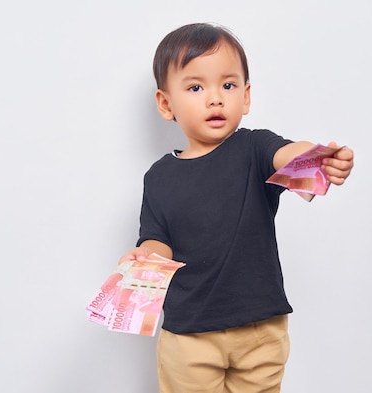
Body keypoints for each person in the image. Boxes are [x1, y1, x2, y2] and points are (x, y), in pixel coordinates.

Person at [119, 22, 354, 393]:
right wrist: (145, 258)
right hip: (190, 333)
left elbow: (287, 154)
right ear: (166, 104)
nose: (215, 98)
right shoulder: (159, 177)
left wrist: (317, 159)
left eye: (227, 86)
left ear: (245, 97)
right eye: (196, 87)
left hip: (260, 328)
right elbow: (157, 237)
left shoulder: (254, 149)